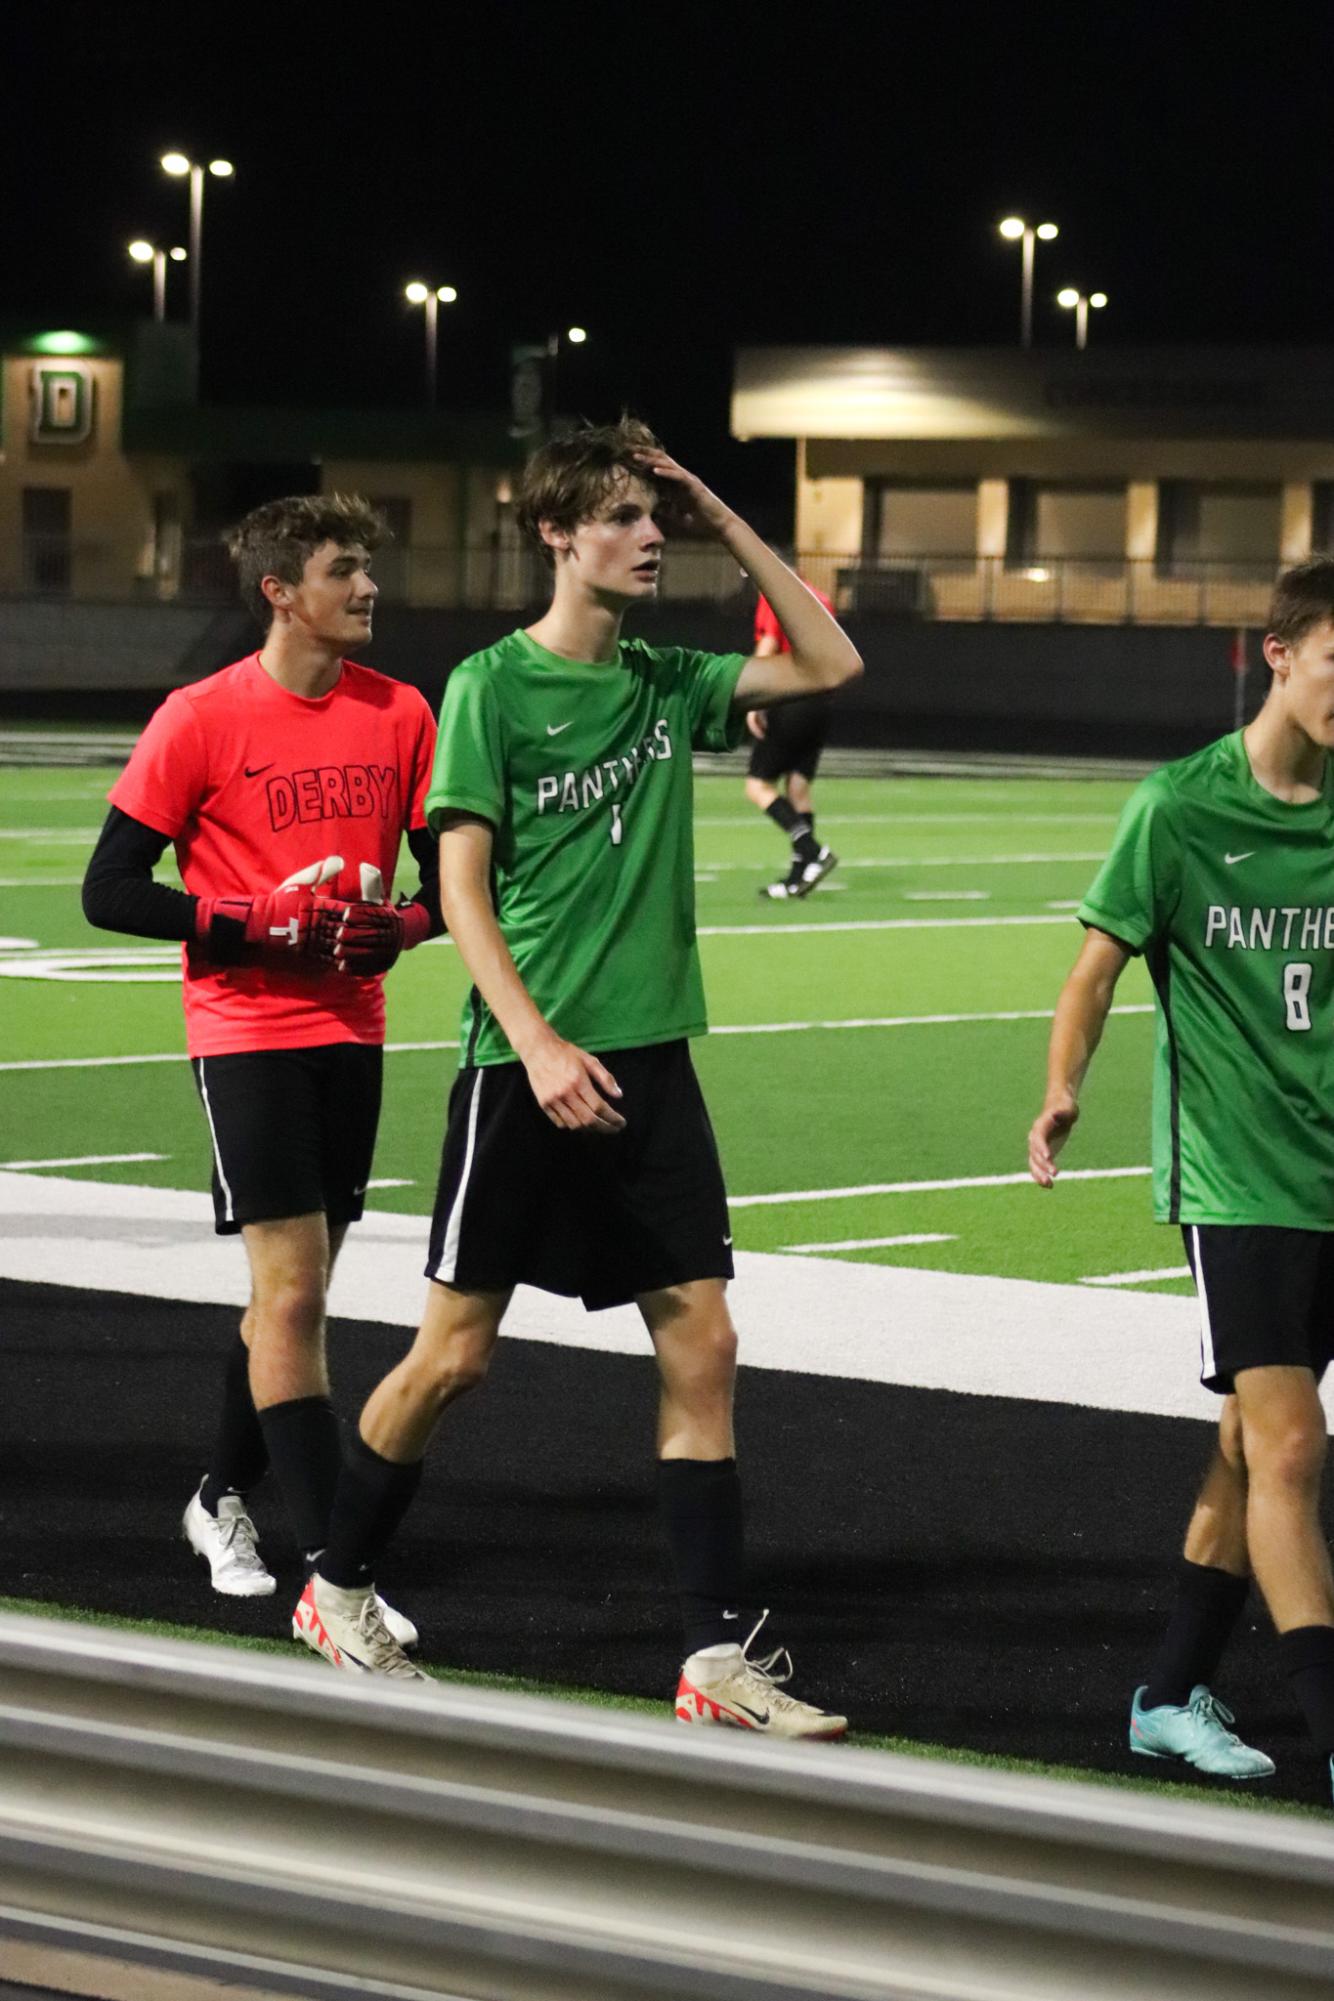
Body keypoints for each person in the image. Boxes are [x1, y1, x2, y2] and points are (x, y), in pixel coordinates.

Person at [293, 417, 862, 1729]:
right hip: (523, 1065)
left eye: (651, 518)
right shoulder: (492, 685)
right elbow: (459, 890)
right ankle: (338, 1579)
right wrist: (539, 1042)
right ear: (555, 533)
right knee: (455, 1357)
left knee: (704, 1340)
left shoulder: (668, 679)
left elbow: (827, 656)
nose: (646, 535)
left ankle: (714, 1661)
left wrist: (719, 511)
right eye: (621, 515)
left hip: (653, 1061)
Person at [82, 495, 441, 1641]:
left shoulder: (403, 712)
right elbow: (110, 890)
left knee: (298, 1299)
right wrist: (250, 926)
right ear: (280, 590)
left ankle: (216, 1496)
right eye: (345, 569)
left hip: (353, 1029)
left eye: (369, 567)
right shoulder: (200, 716)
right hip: (244, 1030)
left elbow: (454, 881)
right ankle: (341, 1577)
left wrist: (411, 928)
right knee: (289, 1296)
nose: (370, 587)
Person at [1027, 554, 1334, 1800]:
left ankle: (1163, 1693)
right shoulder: (1178, 807)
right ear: (1278, 653)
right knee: (1292, 1447)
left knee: (1245, 1449)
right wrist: (1062, 1085)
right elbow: (1092, 972)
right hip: (1234, 1177)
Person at [744, 581, 840, 900]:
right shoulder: (820, 596)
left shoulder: (776, 592)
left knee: (758, 786)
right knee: (798, 788)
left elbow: (769, 644)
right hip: (821, 699)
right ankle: (799, 878)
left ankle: (811, 849)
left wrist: (754, 700)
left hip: (793, 697)